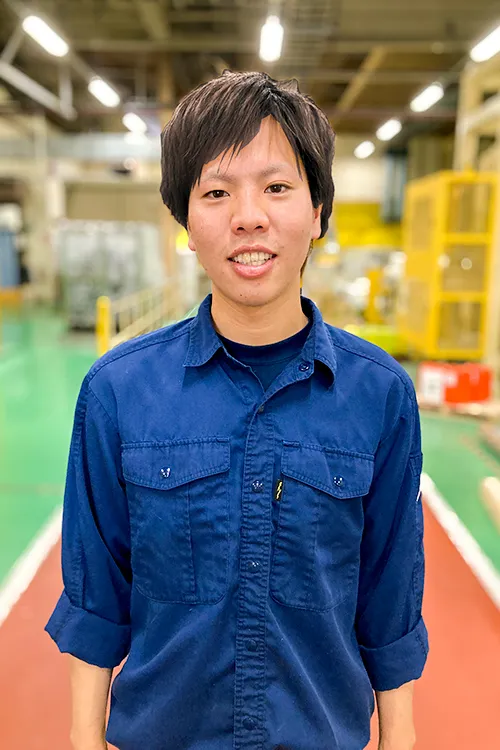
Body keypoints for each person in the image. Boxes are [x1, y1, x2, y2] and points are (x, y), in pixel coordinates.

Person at [45, 71, 428, 750]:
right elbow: (96, 593)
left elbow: (389, 593)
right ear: (187, 225)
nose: (248, 216)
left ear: (318, 212)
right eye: (217, 192)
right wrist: (82, 738)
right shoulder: (118, 392)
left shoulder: (380, 395)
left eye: (276, 187)